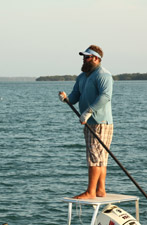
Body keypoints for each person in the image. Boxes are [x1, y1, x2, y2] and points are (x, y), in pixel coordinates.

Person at [59, 45, 114, 199]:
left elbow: (105, 96)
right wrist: (67, 99)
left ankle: (91, 192)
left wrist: (89, 111)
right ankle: (100, 190)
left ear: (96, 58)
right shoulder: (82, 77)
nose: (84, 59)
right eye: (83, 57)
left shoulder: (104, 75)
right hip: (89, 123)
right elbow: (76, 95)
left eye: (87, 57)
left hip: (101, 122)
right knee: (99, 156)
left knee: (96, 157)